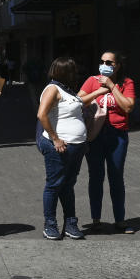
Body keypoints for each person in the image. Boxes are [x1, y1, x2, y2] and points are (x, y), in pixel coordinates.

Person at [78, 51, 136, 234]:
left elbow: (128, 106)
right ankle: (96, 220)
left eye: (109, 62)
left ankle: (120, 220)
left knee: (116, 177)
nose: (105, 65)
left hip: (117, 135)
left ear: (117, 65)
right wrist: (99, 90)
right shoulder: (92, 80)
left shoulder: (127, 83)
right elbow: (79, 101)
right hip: (95, 134)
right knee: (96, 176)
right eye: (102, 61)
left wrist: (112, 86)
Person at [36, 57, 92, 241]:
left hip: (76, 146)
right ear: (64, 72)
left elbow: (78, 105)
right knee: (54, 185)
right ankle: (50, 225)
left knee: (68, 185)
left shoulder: (68, 90)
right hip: (60, 147)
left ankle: (70, 223)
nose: (76, 73)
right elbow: (41, 114)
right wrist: (55, 139)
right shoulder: (53, 89)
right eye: (73, 70)